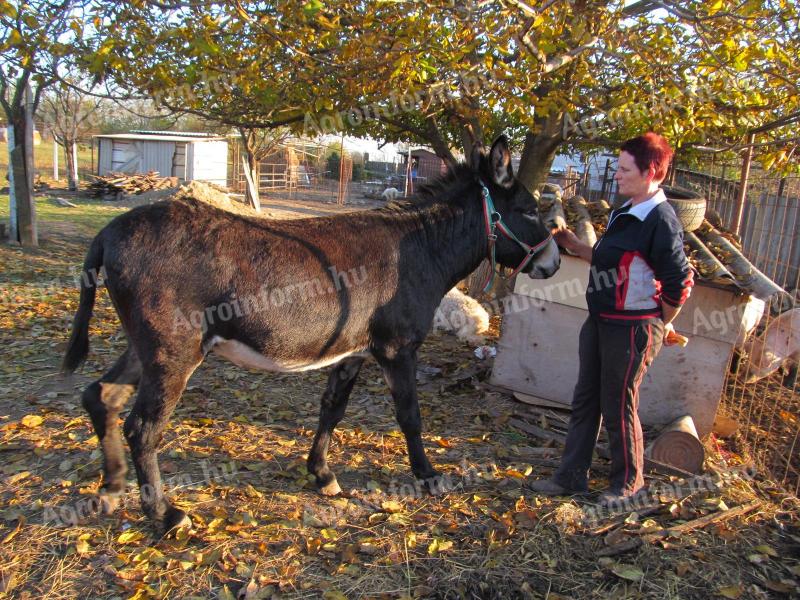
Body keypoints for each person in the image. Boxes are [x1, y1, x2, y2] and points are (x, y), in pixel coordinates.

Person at [530, 132, 694, 504]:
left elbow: (680, 282)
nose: (616, 175)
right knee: (586, 397)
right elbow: (611, 261)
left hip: (632, 327)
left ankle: (628, 485)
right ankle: (571, 476)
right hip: (601, 321)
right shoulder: (626, 211)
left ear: (651, 171)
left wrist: (659, 322)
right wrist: (573, 244)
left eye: (624, 169)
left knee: (619, 403)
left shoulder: (660, 220)